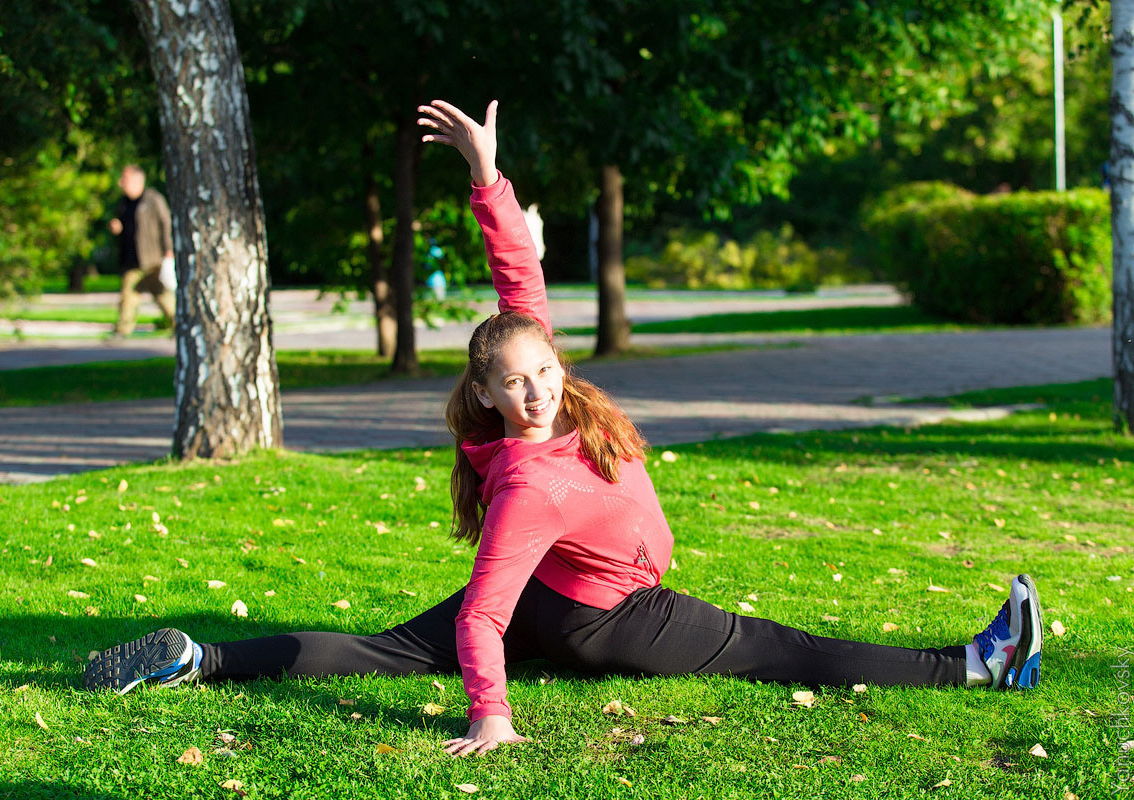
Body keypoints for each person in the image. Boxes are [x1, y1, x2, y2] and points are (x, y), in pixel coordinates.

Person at [83, 100, 1044, 758]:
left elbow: (521, 297)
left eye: (543, 373)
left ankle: (199, 660)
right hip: (602, 617)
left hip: (560, 596)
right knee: (772, 646)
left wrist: (489, 180)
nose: (540, 392)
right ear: (491, 397)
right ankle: (979, 665)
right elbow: (483, 614)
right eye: (520, 385)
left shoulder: (522, 386)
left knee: (385, 647)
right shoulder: (529, 483)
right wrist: (490, 716)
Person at [108, 164, 175, 337]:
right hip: (132, 258)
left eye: (125, 179)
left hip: (153, 258)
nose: (121, 183)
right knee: (128, 296)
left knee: (163, 296)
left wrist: (168, 249)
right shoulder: (124, 202)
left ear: (137, 180)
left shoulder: (153, 199)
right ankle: (123, 329)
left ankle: (180, 325)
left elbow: (166, 223)